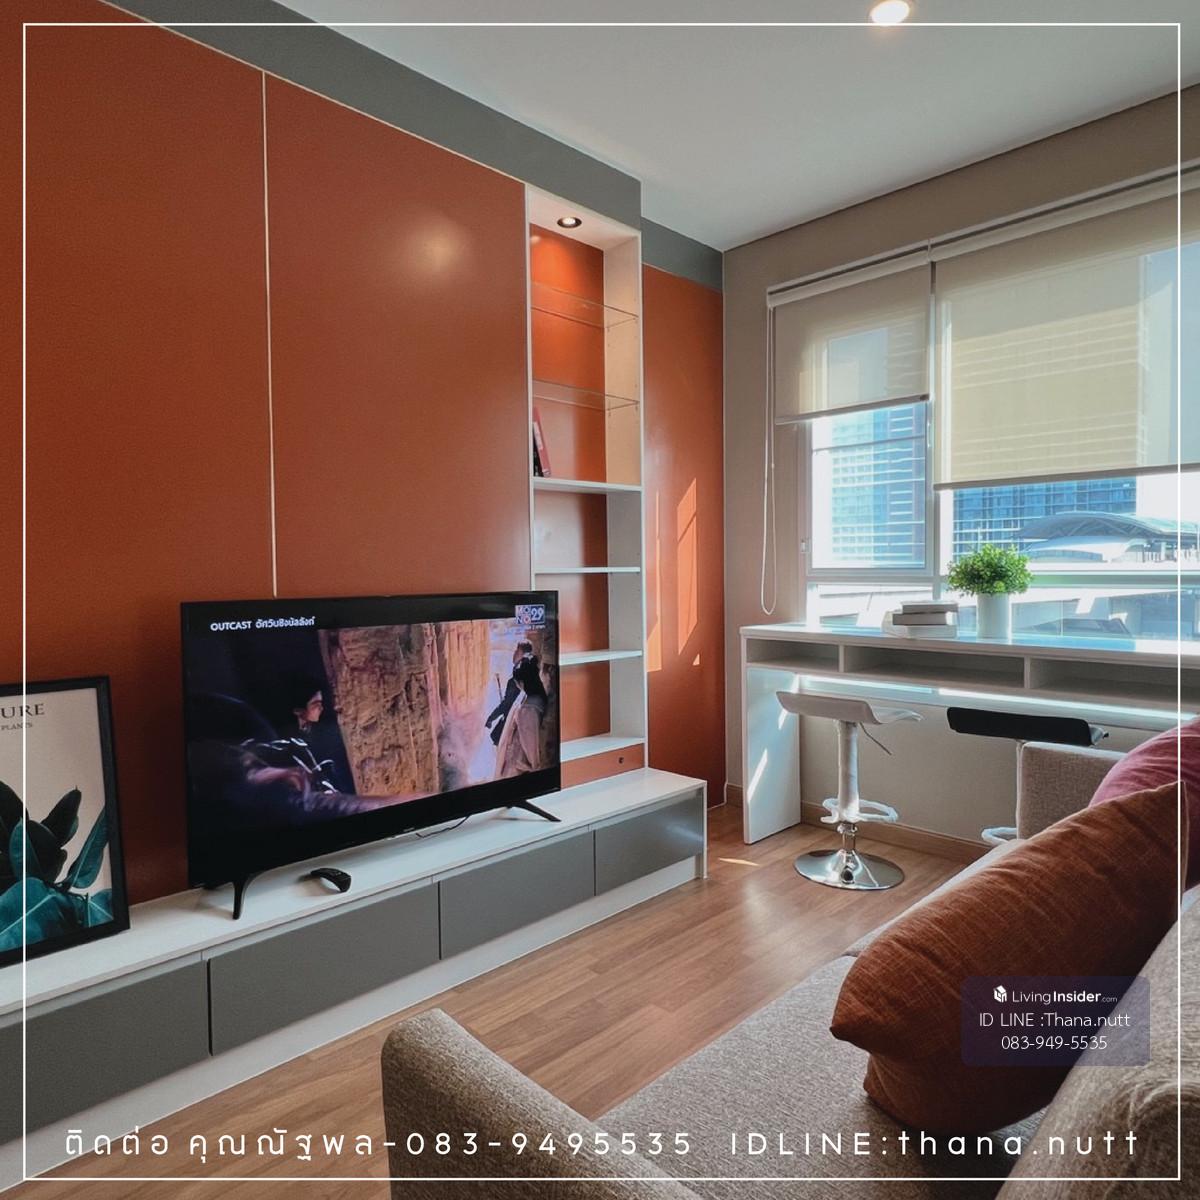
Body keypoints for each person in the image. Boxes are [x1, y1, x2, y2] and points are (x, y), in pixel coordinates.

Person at [495, 656, 548, 777]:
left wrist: (534, 767)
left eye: (517, 683)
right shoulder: (537, 698)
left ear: (522, 683)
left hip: (518, 767)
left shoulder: (528, 710)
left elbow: (532, 750)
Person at [485, 642, 534, 747]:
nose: (514, 654)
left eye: (518, 652)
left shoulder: (518, 677)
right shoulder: (527, 672)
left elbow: (506, 705)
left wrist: (491, 718)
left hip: (512, 724)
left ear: (524, 656)